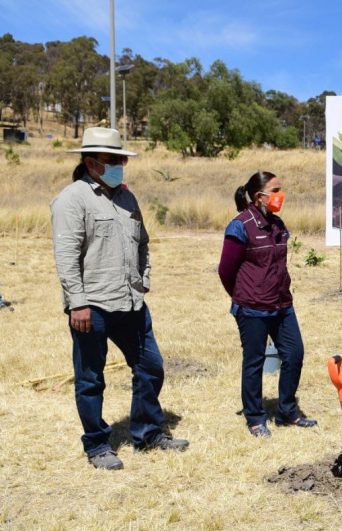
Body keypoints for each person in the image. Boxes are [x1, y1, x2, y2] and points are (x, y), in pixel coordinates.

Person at [50, 127, 189, 470]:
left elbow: (143, 242)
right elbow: (66, 256)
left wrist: (143, 280)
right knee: (90, 377)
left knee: (151, 367)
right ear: (91, 162)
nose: (121, 165)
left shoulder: (127, 198)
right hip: (92, 305)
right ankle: (97, 445)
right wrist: (77, 302)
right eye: (114, 160)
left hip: (131, 303)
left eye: (122, 160)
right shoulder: (72, 199)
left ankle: (148, 432)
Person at [218, 171, 316, 437]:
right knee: (254, 361)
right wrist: (242, 295)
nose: (279, 195)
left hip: (282, 304)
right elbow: (226, 270)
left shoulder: (278, 224)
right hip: (252, 307)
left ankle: (287, 411)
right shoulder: (240, 225)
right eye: (275, 190)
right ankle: (255, 417)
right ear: (259, 196)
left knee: (294, 354)